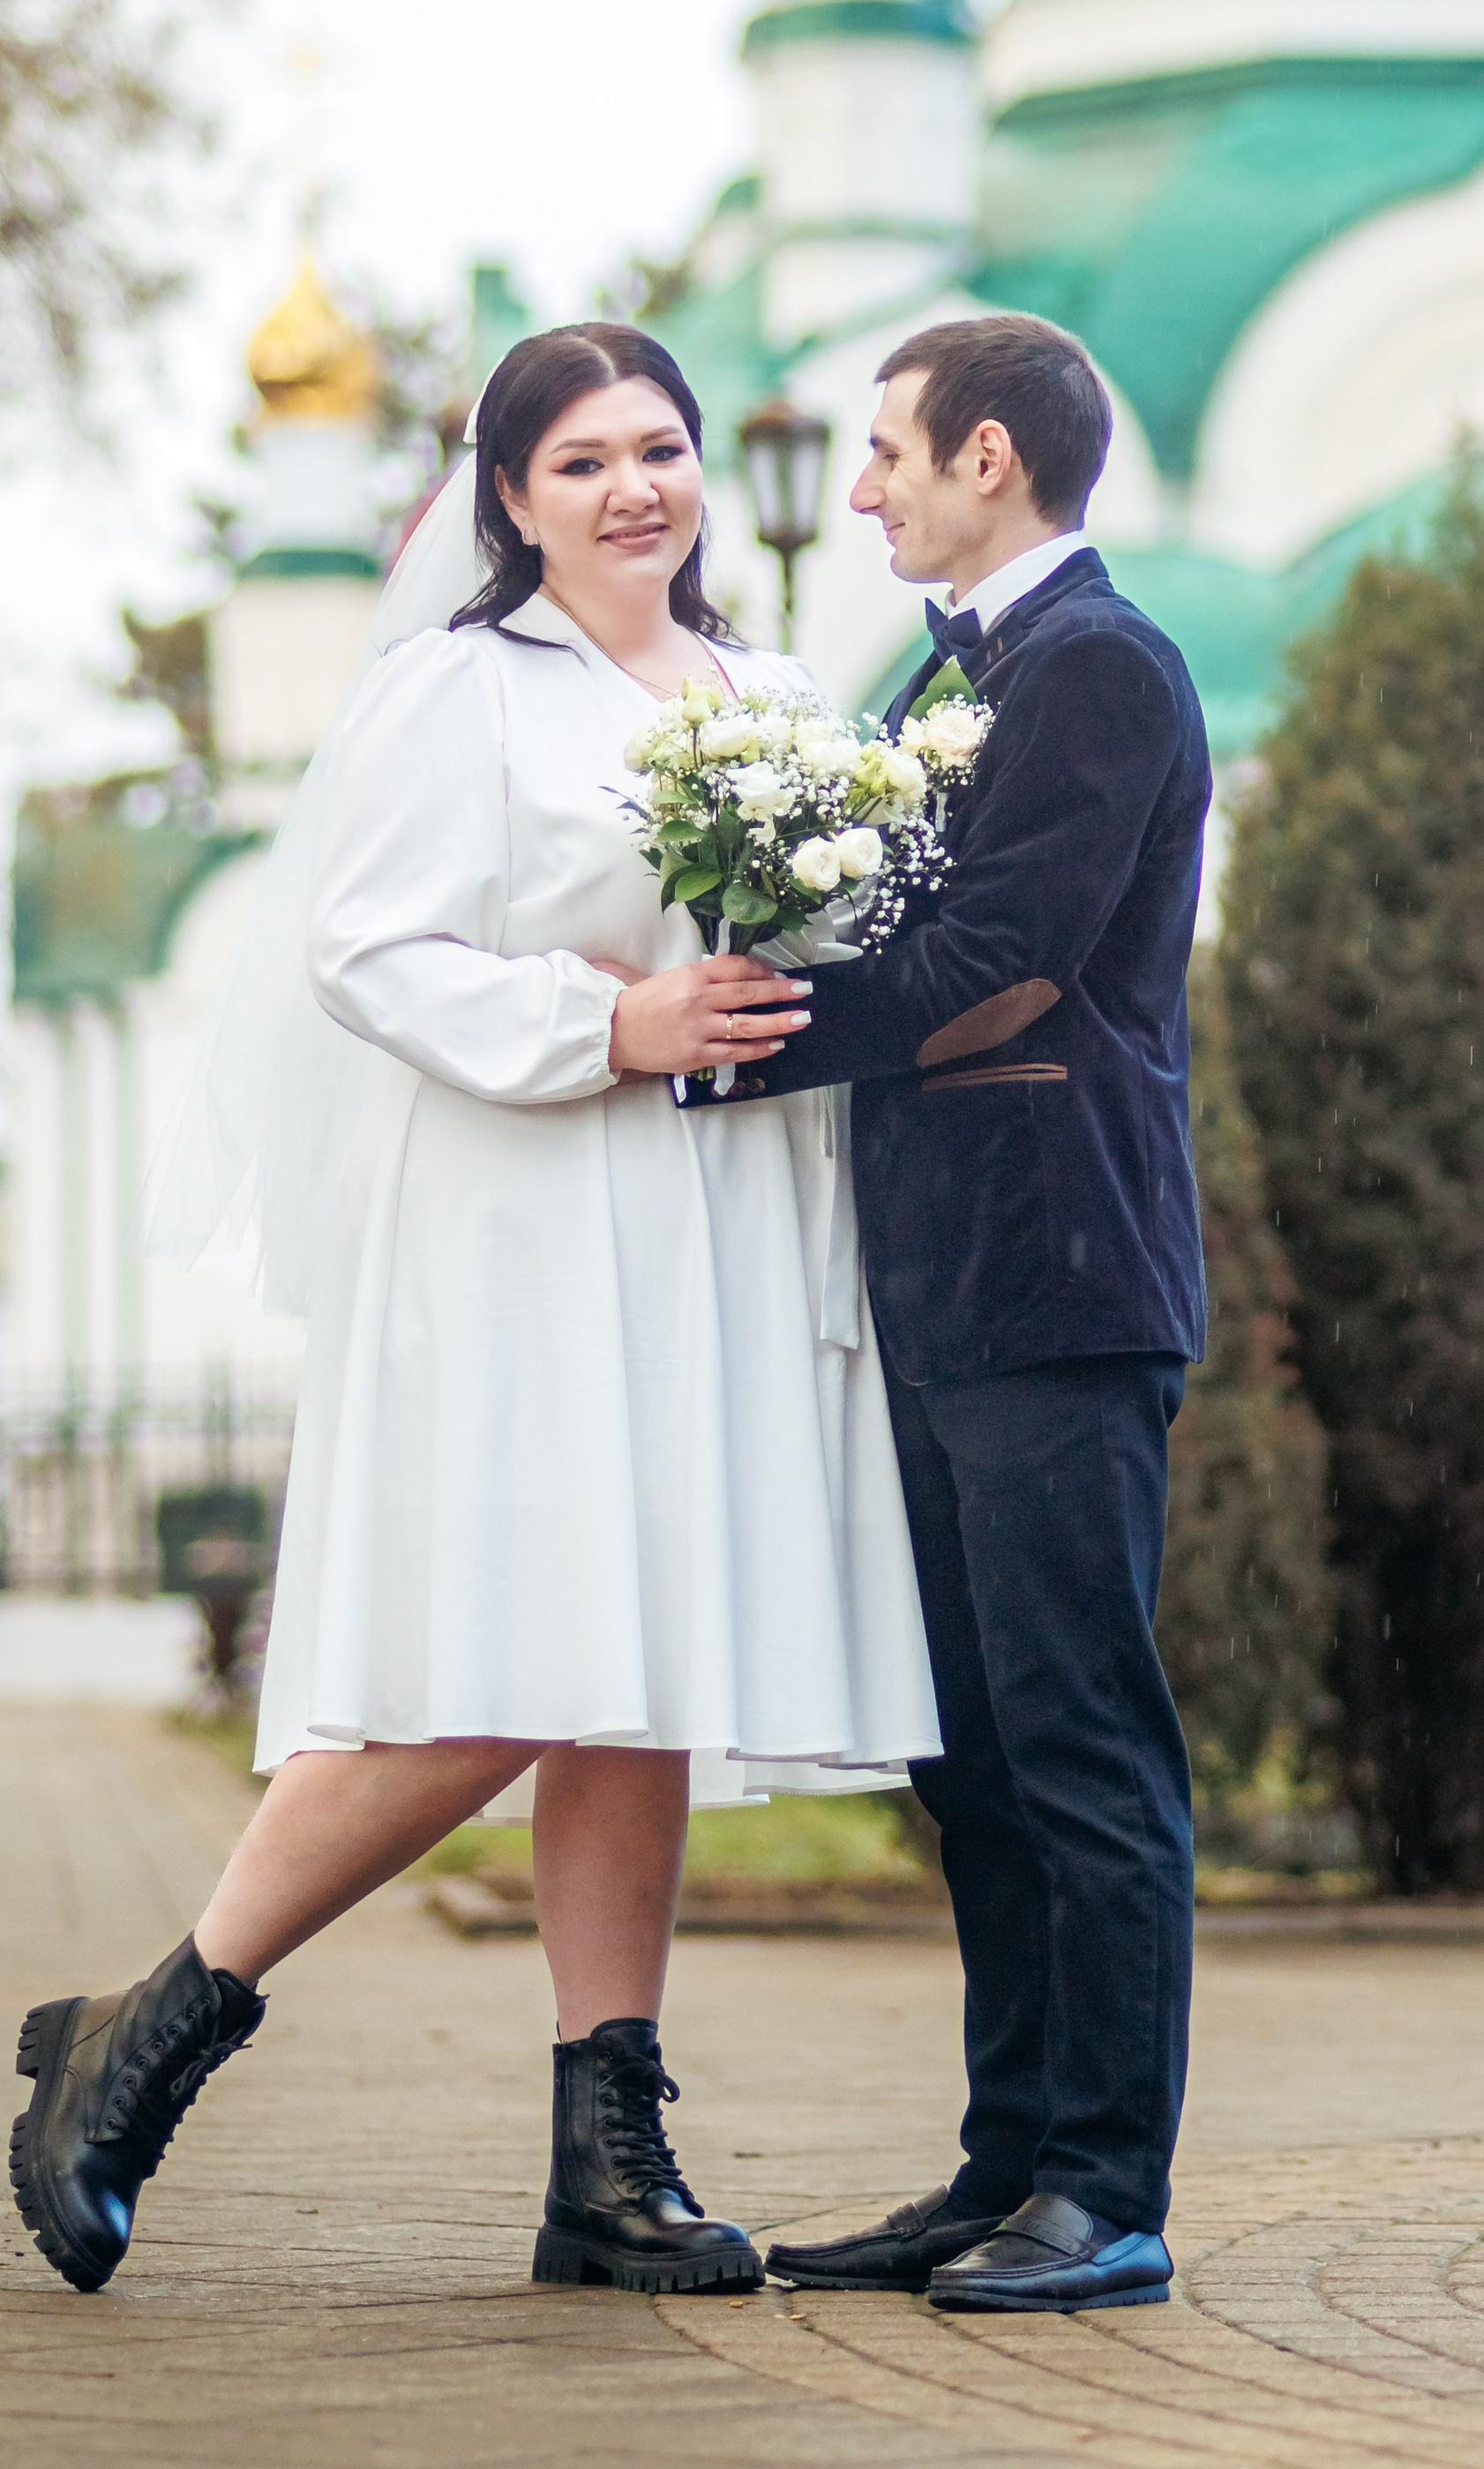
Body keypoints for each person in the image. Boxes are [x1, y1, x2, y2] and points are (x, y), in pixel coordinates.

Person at [10, 325, 935, 2300]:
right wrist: (605, 1022)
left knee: (637, 1668)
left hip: (707, 1218)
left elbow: (830, 938)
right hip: (518, 1211)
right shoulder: (452, 693)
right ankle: (152, 2032)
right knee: (500, 1661)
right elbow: (365, 950)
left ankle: (606, 2159)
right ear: (505, 501)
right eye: (583, 459)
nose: (636, 489)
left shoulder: (772, 695)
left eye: (661, 450)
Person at [737, 312, 1211, 2316]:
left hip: (1058, 1273)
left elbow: (1008, 966)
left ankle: (1105, 2190)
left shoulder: (1096, 670)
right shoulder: (962, 677)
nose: (863, 489)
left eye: (888, 456)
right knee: (974, 1761)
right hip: (945, 1285)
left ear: (989, 458)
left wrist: (728, 1047)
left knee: (1082, 1746)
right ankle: (1000, 2165)